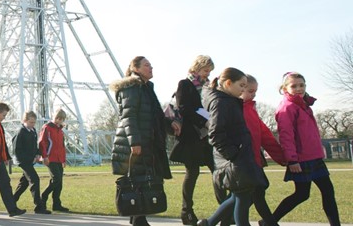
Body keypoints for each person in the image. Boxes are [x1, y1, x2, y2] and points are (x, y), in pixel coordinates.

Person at [111, 56, 181, 226]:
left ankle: (138, 219)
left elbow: (156, 115)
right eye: (146, 65)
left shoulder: (146, 88)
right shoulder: (132, 88)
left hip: (148, 143)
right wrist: (134, 142)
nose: (151, 67)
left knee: (142, 181)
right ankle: (138, 220)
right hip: (136, 144)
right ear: (136, 68)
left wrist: (170, 124)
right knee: (138, 182)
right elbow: (129, 117)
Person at [268, 72, 340, 226]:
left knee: (327, 191)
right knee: (301, 194)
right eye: (294, 86)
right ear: (285, 88)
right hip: (301, 159)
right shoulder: (286, 108)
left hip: (314, 157)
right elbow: (286, 136)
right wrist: (292, 160)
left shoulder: (304, 105)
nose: (299, 88)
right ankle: (269, 221)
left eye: (302, 85)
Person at [198, 68, 265, 226]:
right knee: (242, 198)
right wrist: (233, 155)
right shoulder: (221, 102)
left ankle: (209, 223)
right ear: (228, 83)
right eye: (241, 85)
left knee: (237, 196)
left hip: (238, 157)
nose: (243, 90)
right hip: (234, 160)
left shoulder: (228, 100)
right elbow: (215, 133)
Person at [169, 56, 226, 225]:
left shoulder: (209, 86)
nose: (207, 74)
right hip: (192, 135)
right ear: (196, 68)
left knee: (217, 171)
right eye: (205, 70)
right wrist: (205, 120)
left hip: (208, 135)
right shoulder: (185, 84)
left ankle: (226, 209)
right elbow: (185, 107)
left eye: (209, 71)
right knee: (192, 173)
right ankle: (187, 211)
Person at [13, 111, 50, 214]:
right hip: (23, 161)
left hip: (30, 160)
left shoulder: (32, 131)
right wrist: (29, 159)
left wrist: (38, 153)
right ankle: (39, 206)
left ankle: (11, 201)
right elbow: (17, 150)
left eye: (34, 122)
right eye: (30, 122)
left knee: (24, 183)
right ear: (24, 121)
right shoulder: (21, 132)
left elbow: (35, 145)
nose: (32, 124)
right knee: (35, 180)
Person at [39, 109, 69, 213]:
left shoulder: (60, 131)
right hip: (50, 158)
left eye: (61, 119)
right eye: (58, 118)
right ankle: (44, 196)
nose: (59, 120)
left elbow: (62, 146)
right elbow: (42, 142)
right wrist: (44, 156)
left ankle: (56, 204)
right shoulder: (47, 127)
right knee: (56, 179)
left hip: (58, 159)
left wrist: (63, 160)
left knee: (59, 182)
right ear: (54, 117)